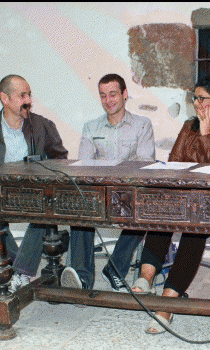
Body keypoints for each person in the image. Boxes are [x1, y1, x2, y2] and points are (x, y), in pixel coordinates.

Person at [131, 72, 210, 334]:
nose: (196, 103)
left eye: (202, 98)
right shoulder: (187, 126)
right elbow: (174, 161)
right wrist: (197, 134)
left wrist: (206, 136)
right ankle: (146, 276)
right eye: (194, 98)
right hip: (183, 196)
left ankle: (168, 302)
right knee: (162, 213)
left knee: (194, 229)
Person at [0, 74, 68, 292]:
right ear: (4, 99)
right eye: (22, 95)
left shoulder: (42, 125)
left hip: (35, 194)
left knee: (46, 212)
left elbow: (60, 160)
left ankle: (20, 271)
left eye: (29, 95)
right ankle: (21, 270)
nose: (28, 100)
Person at [60, 74, 155, 290]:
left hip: (129, 193)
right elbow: (84, 165)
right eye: (103, 96)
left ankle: (114, 269)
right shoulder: (91, 127)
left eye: (113, 94)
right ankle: (82, 279)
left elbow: (144, 164)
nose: (108, 100)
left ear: (124, 94)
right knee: (81, 204)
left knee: (144, 208)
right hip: (98, 193)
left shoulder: (142, 125)